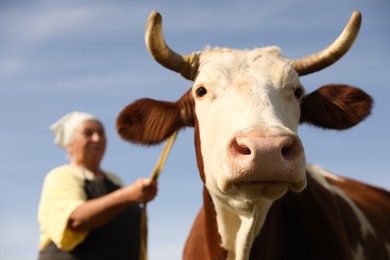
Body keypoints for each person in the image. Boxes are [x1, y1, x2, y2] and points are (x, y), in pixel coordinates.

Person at [37, 111, 158, 260]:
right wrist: (128, 196)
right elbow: (76, 220)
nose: (97, 138)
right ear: (70, 145)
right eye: (88, 133)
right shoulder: (61, 176)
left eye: (101, 133)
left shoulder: (115, 181)